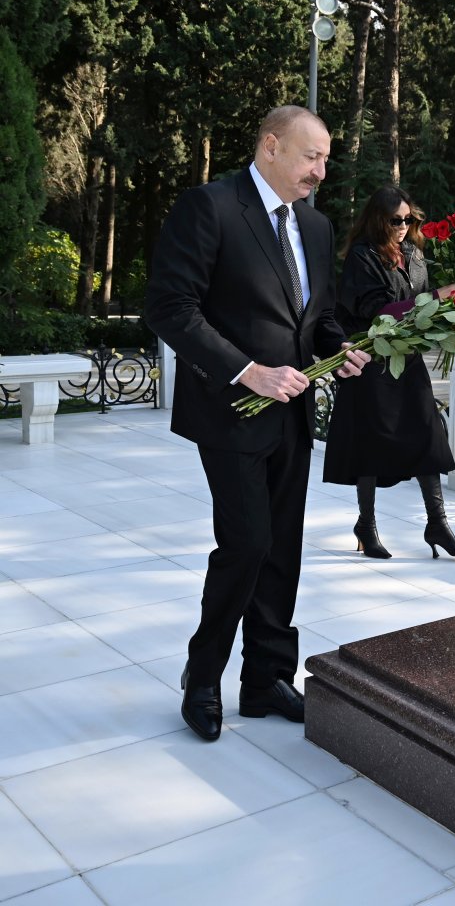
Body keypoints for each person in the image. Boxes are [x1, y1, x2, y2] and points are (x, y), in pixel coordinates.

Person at [146, 106, 371, 742]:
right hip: (229, 411)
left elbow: (316, 316)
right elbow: (171, 308)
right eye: (311, 156)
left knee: (282, 548)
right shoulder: (210, 206)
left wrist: (341, 348)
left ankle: (266, 679)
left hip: (293, 412)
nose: (320, 171)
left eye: (326, 158)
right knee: (246, 544)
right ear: (271, 146)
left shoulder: (319, 227)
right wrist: (247, 371)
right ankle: (202, 676)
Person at [322, 186, 455, 561]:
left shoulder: (415, 255)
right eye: (396, 220)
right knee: (370, 444)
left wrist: (450, 320)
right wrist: (438, 298)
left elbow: (421, 315)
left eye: (409, 219)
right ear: (379, 220)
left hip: (406, 360)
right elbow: (378, 312)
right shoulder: (362, 257)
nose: (404, 226)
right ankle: (367, 525)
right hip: (369, 361)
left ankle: (437, 524)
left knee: (428, 436)